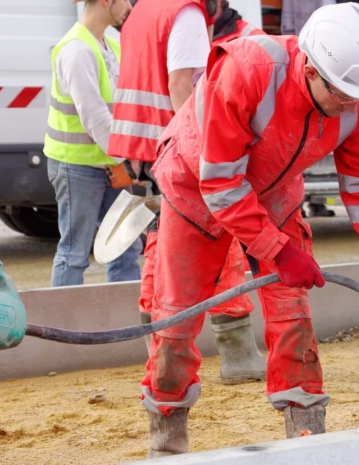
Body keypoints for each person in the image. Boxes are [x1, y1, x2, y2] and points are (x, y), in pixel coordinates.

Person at [140, 3, 359, 456]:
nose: (350, 105)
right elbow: (222, 184)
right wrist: (279, 250)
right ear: (309, 68)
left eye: (358, 96)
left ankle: (307, 441)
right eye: (341, 93)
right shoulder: (248, 70)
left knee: (294, 319)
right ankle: (167, 445)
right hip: (195, 188)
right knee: (176, 322)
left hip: (274, 192)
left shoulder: (357, 100)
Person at [113, 0, 270, 385]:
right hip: (174, 145)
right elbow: (181, 82)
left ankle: (159, 347)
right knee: (220, 237)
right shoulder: (185, 12)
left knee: (161, 245)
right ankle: (238, 354)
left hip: (145, 143)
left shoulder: (144, 8)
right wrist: (204, 150)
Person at [45, 0, 142, 287]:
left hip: (112, 165)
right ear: (105, 1)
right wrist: (132, 157)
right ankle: (63, 329)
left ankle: (128, 327)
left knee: (126, 249)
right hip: (78, 167)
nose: (130, 6)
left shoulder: (112, 46)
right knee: (74, 254)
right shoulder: (77, 50)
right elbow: (95, 117)